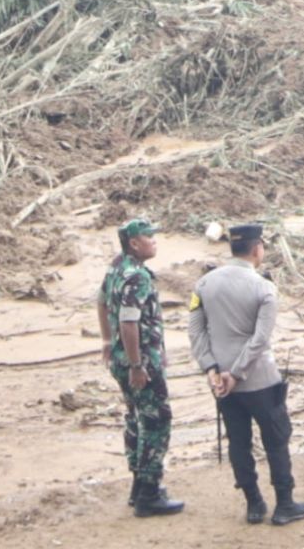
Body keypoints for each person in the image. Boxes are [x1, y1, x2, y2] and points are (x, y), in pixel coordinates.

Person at [188, 223, 304, 526]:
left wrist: (213, 369)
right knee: (276, 440)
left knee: (238, 443)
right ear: (258, 249)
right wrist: (238, 372)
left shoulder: (204, 284)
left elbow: (196, 332)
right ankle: (285, 504)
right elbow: (260, 339)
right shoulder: (264, 287)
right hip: (260, 380)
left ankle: (254, 504)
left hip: (222, 385)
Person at [96, 217, 184, 517]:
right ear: (135, 243)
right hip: (139, 361)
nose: (154, 240)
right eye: (149, 237)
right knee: (157, 420)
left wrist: (108, 341)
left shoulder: (117, 266)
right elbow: (129, 320)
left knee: (135, 417)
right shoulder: (137, 276)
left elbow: (101, 301)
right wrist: (137, 364)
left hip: (123, 358)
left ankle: (138, 484)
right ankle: (149, 491)